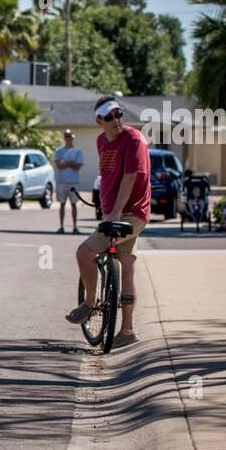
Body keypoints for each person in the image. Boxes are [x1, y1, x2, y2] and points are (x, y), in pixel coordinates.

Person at [65, 97, 151, 348]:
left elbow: (130, 177)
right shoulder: (101, 141)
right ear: (99, 121)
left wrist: (115, 212)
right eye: (110, 117)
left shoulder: (133, 139)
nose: (116, 120)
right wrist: (104, 207)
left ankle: (89, 304)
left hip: (132, 213)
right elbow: (108, 177)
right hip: (112, 211)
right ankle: (127, 331)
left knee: (84, 253)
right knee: (125, 264)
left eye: (118, 114)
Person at [52, 129, 83, 234]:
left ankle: (75, 227)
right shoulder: (59, 151)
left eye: (70, 136)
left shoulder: (77, 151)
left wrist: (66, 163)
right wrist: (71, 163)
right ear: (64, 138)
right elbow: (59, 166)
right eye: (67, 136)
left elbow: (77, 166)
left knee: (74, 204)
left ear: (72, 138)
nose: (68, 138)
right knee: (62, 204)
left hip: (73, 182)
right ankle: (61, 227)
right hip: (62, 182)